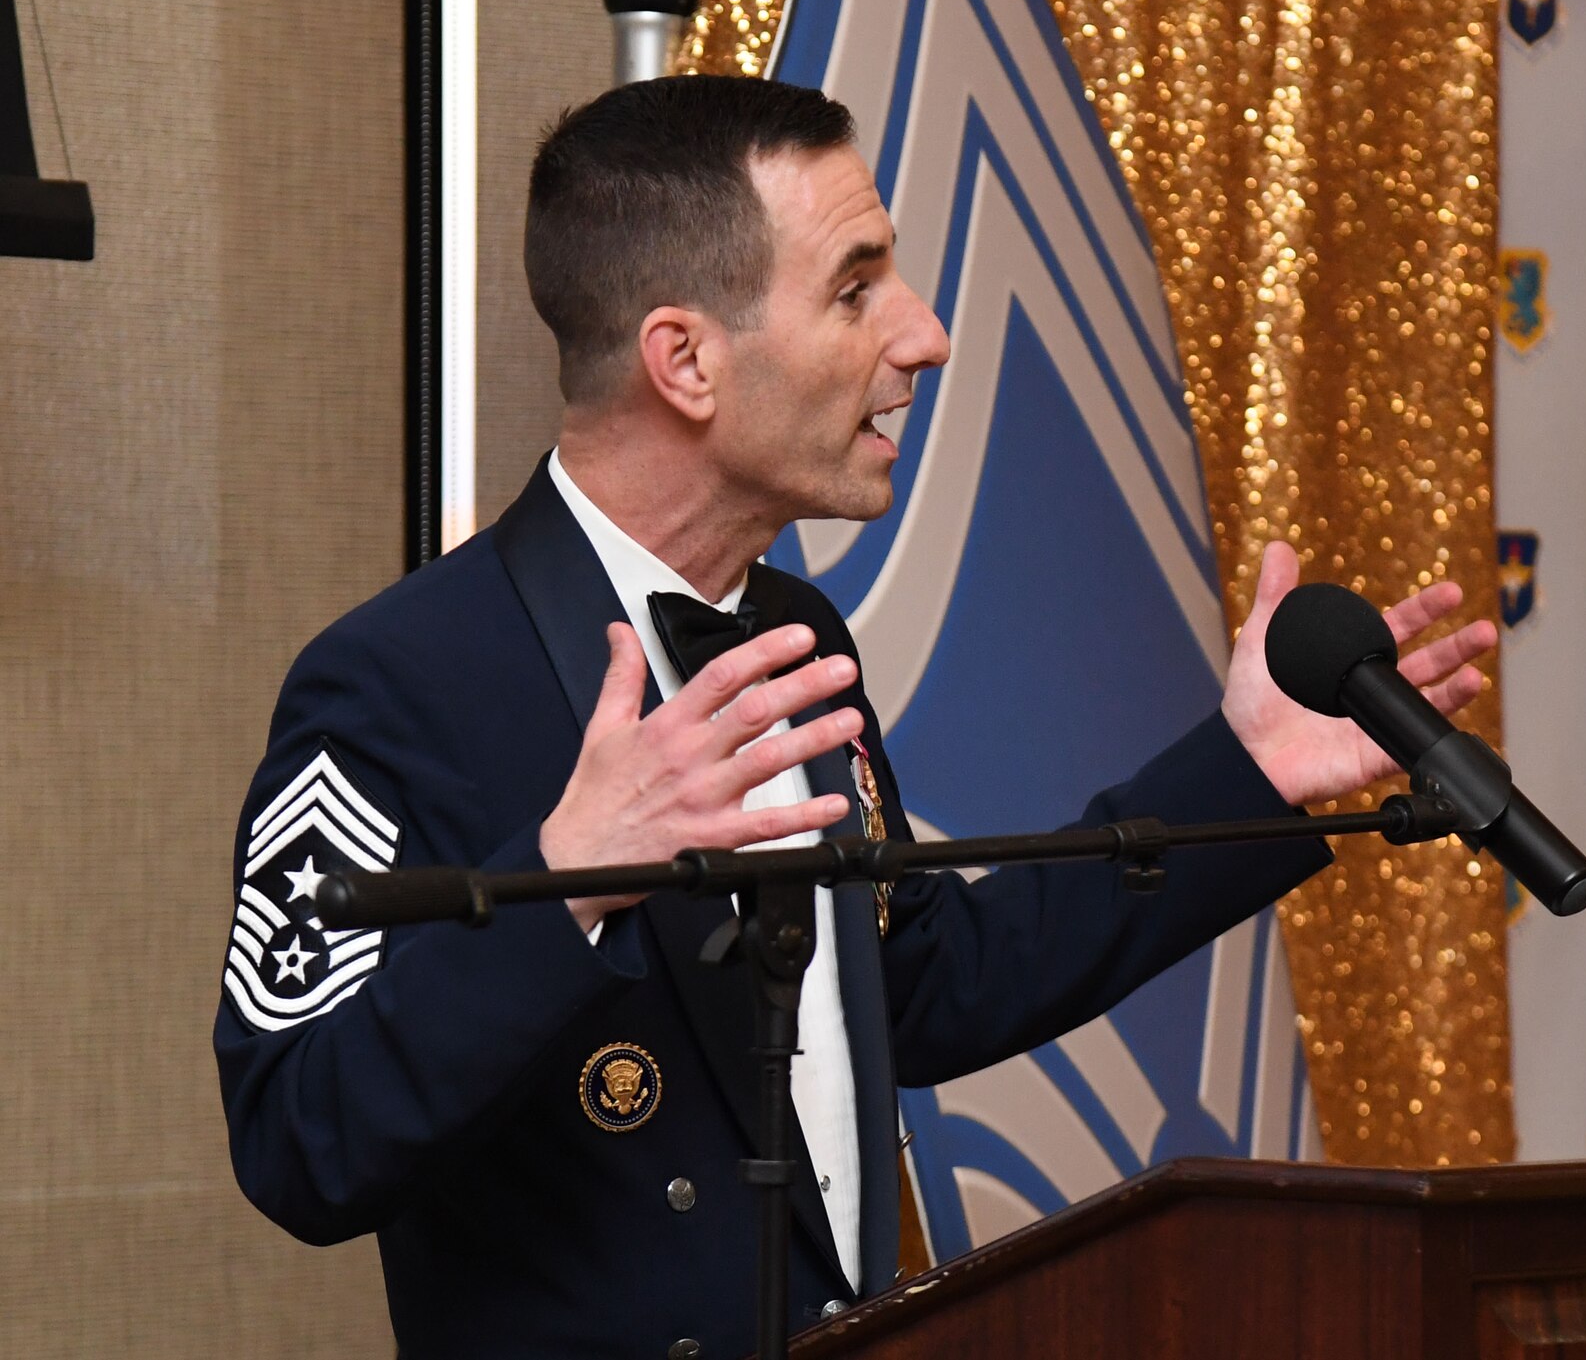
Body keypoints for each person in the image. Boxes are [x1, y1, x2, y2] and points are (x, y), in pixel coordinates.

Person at [214, 74, 1495, 1359]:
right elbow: (297, 1145)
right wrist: (566, 880)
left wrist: (1245, 772)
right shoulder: (392, 684)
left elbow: (914, 985)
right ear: (685, 361)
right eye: (854, 288)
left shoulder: (794, 634)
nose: (924, 334)